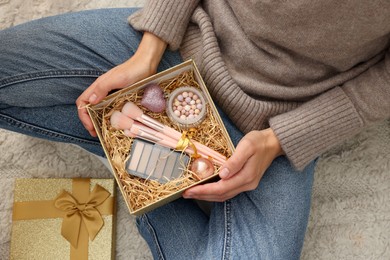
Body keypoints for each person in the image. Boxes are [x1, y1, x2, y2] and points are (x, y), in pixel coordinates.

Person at [1, 0, 389, 259]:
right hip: (183, 46)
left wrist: (279, 141)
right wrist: (148, 51)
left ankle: (134, 161)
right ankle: (132, 156)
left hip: (286, 121)